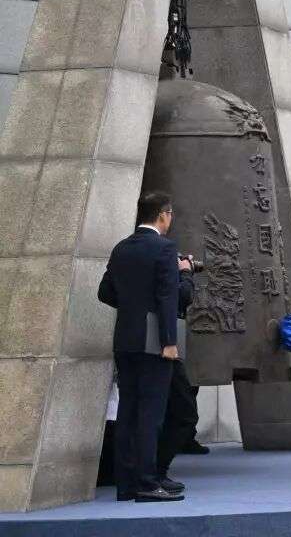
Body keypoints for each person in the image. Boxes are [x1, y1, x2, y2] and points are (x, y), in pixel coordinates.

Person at [97, 191, 184, 502]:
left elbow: (104, 292)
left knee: (128, 411)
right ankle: (147, 482)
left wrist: (132, 307)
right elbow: (167, 298)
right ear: (163, 215)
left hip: (125, 339)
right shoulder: (165, 248)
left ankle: (126, 485)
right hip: (153, 343)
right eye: (170, 214)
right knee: (150, 414)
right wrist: (169, 342)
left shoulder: (121, 247)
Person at [154, 258, 197, 494]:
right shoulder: (162, 253)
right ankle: (155, 472)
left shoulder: (125, 253)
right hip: (164, 346)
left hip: (133, 343)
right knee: (184, 412)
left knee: (143, 413)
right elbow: (184, 295)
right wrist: (186, 273)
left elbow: (106, 293)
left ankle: (141, 473)